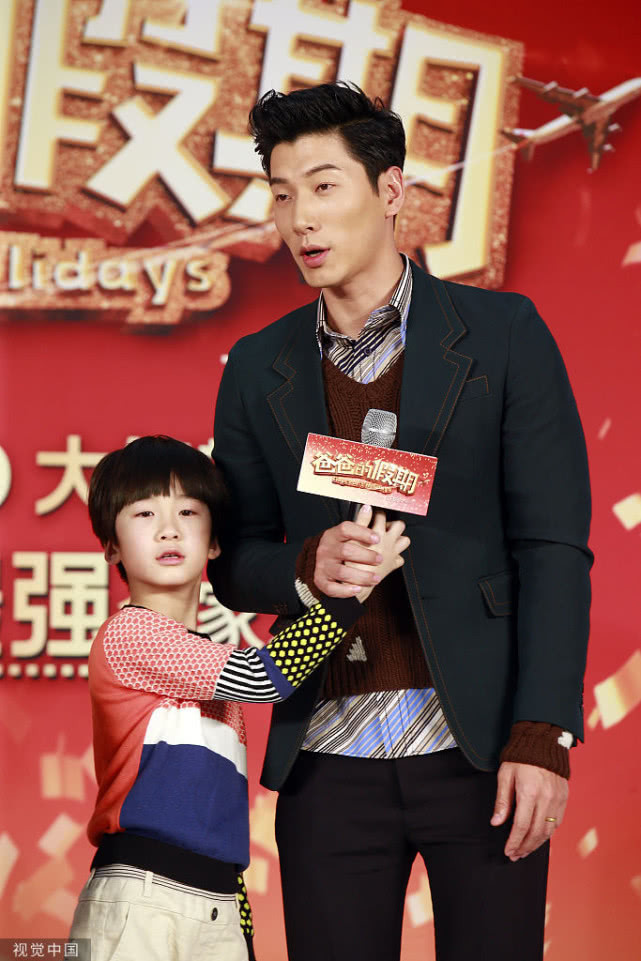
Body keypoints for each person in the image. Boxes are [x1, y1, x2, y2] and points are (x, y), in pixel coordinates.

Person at [209, 83, 592, 961]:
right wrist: (306, 563)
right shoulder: (258, 366)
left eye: (323, 186)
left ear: (389, 190)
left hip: (481, 745)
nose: (300, 218)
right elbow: (235, 560)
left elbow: (552, 545)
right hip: (328, 753)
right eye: (280, 193)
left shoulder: (500, 334)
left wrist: (542, 730)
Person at [69, 434, 409, 961]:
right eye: (144, 513)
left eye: (188, 511)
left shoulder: (206, 663)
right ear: (111, 546)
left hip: (218, 906)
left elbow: (217, 824)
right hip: (140, 896)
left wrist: (240, 926)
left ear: (214, 543)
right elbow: (264, 677)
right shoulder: (130, 634)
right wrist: (354, 589)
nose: (168, 529)